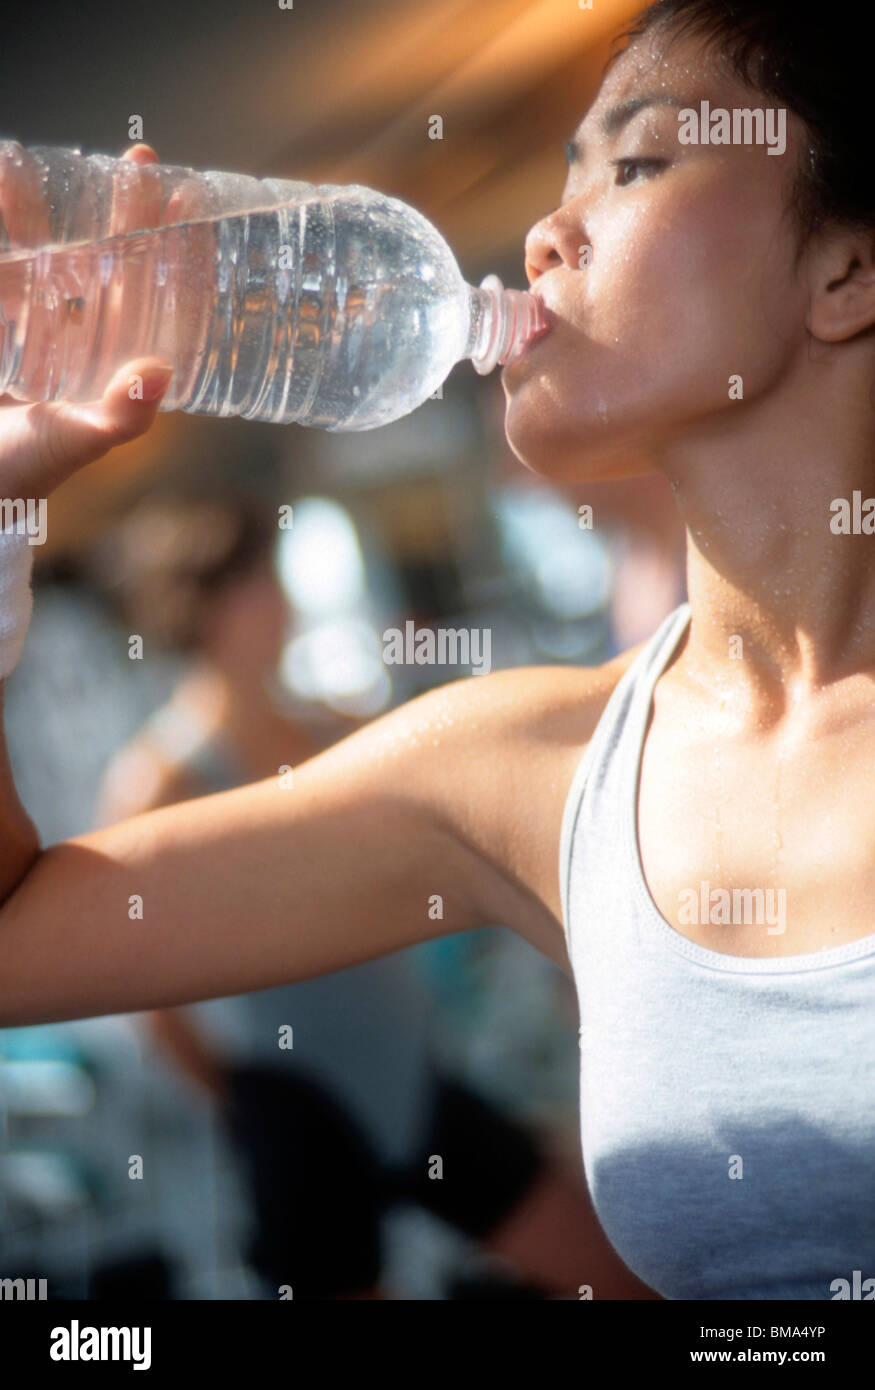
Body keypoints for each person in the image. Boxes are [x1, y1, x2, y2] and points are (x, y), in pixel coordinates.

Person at [1, 0, 874, 1300]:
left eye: (634, 164)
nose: (543, 230)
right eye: (564, 169)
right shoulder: (517, 766)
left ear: (843, 274)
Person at [88, 490, 654, 1299]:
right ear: (204, 603)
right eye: (259, 586)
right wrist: (243, 1104)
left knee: (613, 1274)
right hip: (295, 1104)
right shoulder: (158, 781)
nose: (281, 603)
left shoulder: (329, 729)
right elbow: (142, 994)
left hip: (404, 1069)